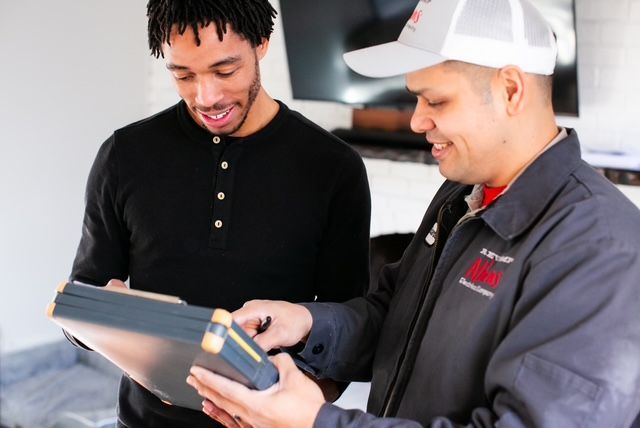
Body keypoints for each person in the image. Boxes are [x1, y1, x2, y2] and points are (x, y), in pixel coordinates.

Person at [185, 0, 640, 426]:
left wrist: (316, 422)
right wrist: (306, 324)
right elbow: (396, 316)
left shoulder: (602, 247)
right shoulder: (461, 196)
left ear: (511, 90)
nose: (417, 121)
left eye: (436, 101)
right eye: (416, 99)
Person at [66, 0, 371, 426]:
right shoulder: (124, 155)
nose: (206, 97)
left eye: (225, 71)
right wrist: (110, 320)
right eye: (183, 75)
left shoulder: (333, 168)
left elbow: (348, 336)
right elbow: (79, 306)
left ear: (261, 44)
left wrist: (295, 410)